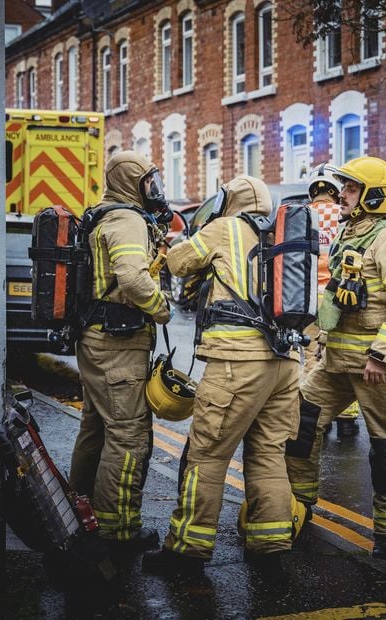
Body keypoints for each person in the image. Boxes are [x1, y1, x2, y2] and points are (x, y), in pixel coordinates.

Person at [142, 176, 301, 574]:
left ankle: (186, 550)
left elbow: (179, 263)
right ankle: (271, 547)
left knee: (207, 455)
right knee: (267, 455)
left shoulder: (225, 227)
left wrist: (182, 238)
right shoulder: (283, 233)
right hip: (285, 363)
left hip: (237, 364)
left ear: (229, 201)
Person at [285, 156, 386, 563]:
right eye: (343, 186)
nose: (341, 194)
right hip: (338, 361)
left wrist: (381, 355)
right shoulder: (349, 231)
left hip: (379, 368)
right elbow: (339, 298)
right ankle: (299, 505)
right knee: (300, 419)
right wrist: (324, 342)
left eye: (351, 188)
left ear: (374, 196)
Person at [68, 150, 172, 550]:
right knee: (128, 436)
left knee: (95, 428)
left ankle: (80, 512)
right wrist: (160, 308)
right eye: (148, 182)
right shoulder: (128, 220)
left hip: (94, 340)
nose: (154, 190)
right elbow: (131, 278)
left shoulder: (103, 215)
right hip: (118, 346)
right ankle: (117, 530)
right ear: (132, 183)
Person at [303, 163, 361, 438]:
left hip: (306, 299)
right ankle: (347, 420)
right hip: (338, 298)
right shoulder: (345, 217)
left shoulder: (302, 216)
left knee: (311, 355)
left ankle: (315, 417)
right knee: (339, 356)